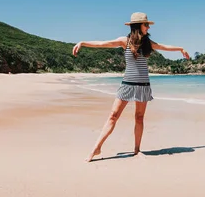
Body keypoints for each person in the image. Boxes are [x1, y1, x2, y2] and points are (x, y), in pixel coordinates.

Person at [72, 12, 190, 162]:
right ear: (137, 25)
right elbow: (103, 44)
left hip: (143, 85)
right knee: (113, 116)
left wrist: (180, 49)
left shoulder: (148, 43)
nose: (148, 27)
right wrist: (82, 42)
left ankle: (137, 150)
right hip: (127, 84)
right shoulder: (125, 41)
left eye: (148, 24)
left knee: (139, 118)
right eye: (145, 24)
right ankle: (96, 148)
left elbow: (163, 46)